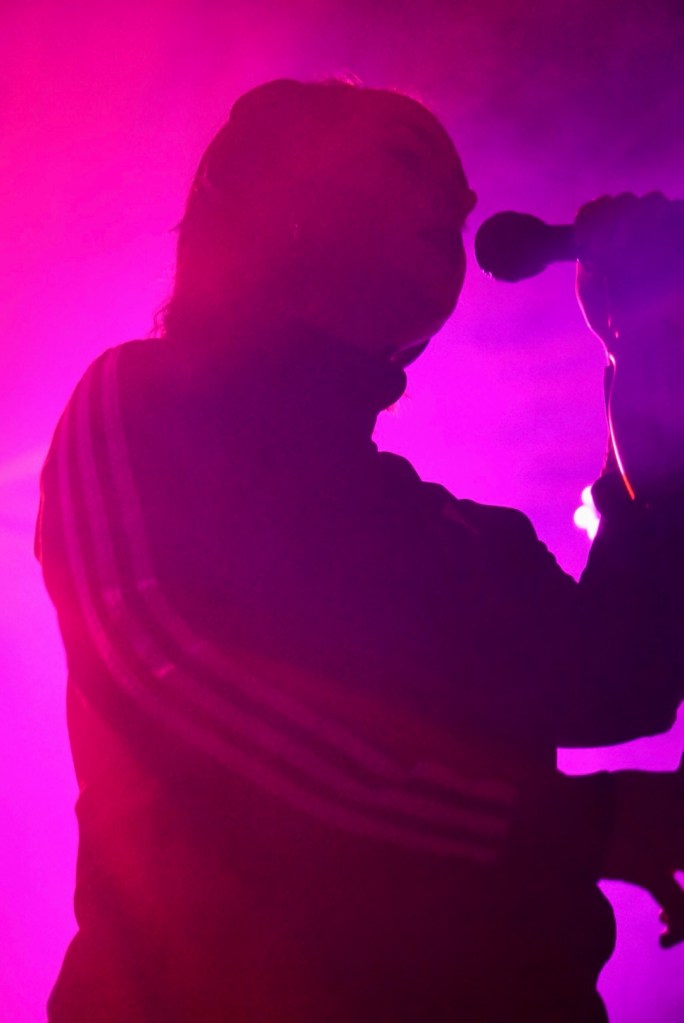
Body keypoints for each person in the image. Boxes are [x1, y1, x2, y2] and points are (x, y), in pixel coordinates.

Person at [35, 78, 684, 1022]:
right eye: (405, 160)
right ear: (271, 188)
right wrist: (577, 826)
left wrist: (650, 369)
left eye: (461, 202)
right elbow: (173, 674)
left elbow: (622, 675)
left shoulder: (466, 540)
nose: (452, 210)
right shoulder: (145, 405)